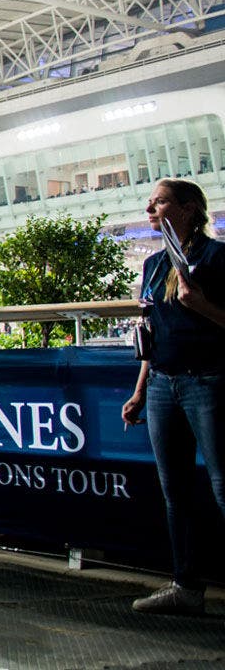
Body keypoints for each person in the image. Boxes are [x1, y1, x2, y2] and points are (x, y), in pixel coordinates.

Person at [122, 178, 225, 615]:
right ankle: (186, 586)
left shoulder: (217, 258)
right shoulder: (153, 265)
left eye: (158, 202)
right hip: (164, 383)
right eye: (148, 203)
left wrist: (201, 306)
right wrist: (141, 390)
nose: (150, 210)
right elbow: (153, 334)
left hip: (210, 382)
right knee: (176, 492)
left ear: (186, 209)